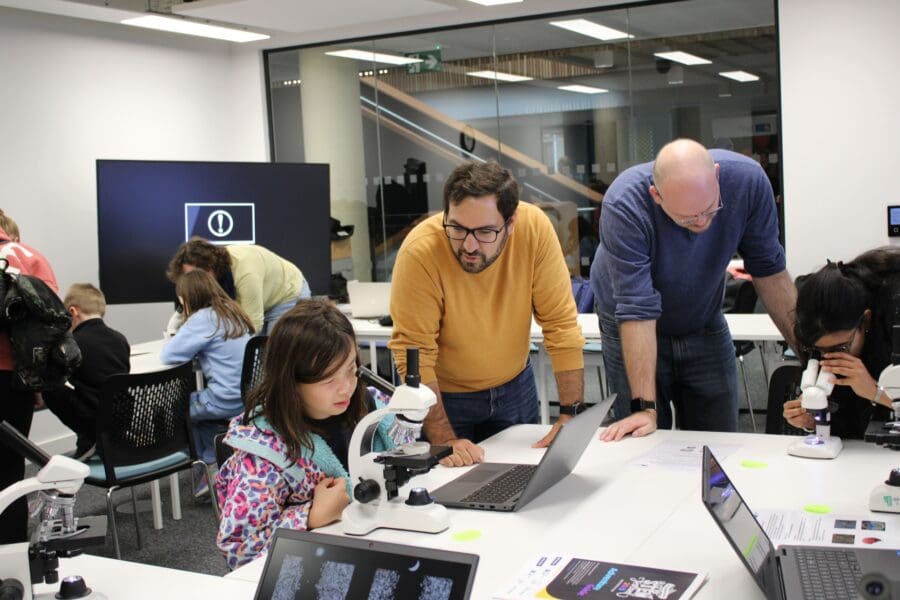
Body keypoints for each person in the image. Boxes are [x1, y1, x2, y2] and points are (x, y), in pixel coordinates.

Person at [591, 139, 797, 441]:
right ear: (656, 195)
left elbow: (770, 272)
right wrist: (644, 409)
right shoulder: (625, 204)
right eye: (687, 218)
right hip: (631, 322)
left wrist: (812, 358)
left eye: (710, 210)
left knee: (719, 441)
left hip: (702, 317)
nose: (701, 222)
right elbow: (637, 310)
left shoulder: (747, 182)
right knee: (643, 437)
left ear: (716, 174)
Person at [389, 161, 585, 467]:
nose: (468, 245)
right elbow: (414, 353)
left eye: (484, 232)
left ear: (511, 222)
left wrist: (570, 414)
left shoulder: (534, 229)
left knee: (525, 479)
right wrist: (443, 439)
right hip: (446, 399)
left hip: (515, 386)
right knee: (452, 490)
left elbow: (560, 324)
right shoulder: (420, 252)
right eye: (456, 228)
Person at [215, 300, 400, 569]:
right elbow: (239, 549)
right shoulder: (265, 452)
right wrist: (310, 517)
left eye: (351, 370)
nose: (346, 388)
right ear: (291, 383)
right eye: (328, 380)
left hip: (376, 543)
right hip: (316, 568)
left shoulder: (369, 404)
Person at [783, 247, 900, 437]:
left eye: (840, 347)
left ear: (866, 321)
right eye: (819, 350)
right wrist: (814, 420)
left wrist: (875, 392)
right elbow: (845, 423)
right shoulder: (815, 322)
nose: (829, 357)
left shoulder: (893, 315)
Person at [160, 270, 253, 494]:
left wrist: (182, 319)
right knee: (200, 412)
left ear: (188, 297)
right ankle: (215, 463)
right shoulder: (233, 311)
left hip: (224, 400)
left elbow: (169, 355)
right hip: (248, 397)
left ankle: (208, 467)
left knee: (178, 407)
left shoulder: (203, 318)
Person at [0, 217, 58, 544]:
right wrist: (36, 382)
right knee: (9, 472)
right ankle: (11, 563)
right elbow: (47, 329)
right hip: (12, 381)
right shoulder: (29, 257)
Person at [42, 284, 130, 460]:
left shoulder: (73, 343)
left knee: (50, 389)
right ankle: (89, 441)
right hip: (122, 417)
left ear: (73, 312)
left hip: (93, 420)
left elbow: (55, 374)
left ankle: (88, 440)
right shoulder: (120, 338)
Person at [166, 238, 310, 334]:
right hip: (260, 298)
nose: (192, 281)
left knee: (274, 356)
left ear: (210, 268)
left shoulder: (246, 273)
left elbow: (253, 324)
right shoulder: (204, 278)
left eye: (196, 275)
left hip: (287, 293)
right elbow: (190, 315)